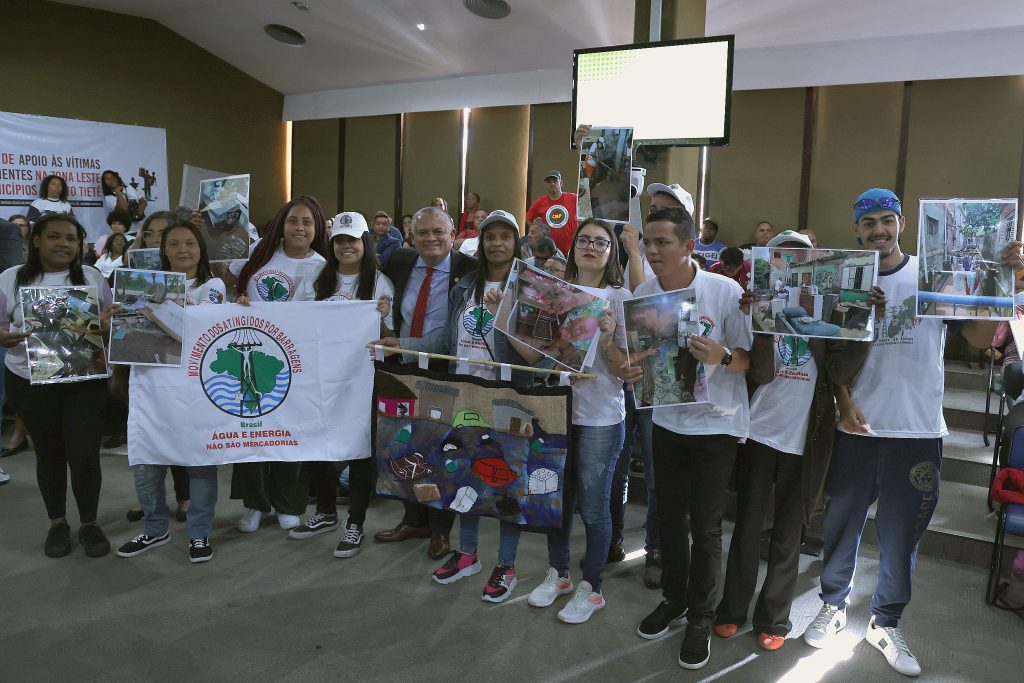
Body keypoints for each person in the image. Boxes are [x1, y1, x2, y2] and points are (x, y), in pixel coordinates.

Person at [802, 188, 1002, 677]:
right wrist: (844, 401)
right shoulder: (849, 276)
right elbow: (834, 353)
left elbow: (979, 337)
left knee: (901, 537)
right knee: (840, 524)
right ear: (856, 229)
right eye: (868, 222)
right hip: (857, 428)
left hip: (917, 429)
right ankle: (832, 605)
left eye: (887, 220)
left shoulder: (930, 274)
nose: (879, 230)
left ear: (902, 224)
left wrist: (999, 279)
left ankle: (885, 622)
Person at [713, 230, 865, 652]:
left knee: (788, 535)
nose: (792, 267)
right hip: (759, 433)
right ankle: (732, 609)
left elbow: (839, 372)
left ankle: (774, 618)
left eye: (801, 259)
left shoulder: (828, 312)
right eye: (782, 259)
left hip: (805, 439)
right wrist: (759, 321)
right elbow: (760, 373)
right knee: (747, 527)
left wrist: (862, 323)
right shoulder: (757, 308)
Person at [378, 210, 533, 602]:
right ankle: (467, 554)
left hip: (508, 396)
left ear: (516, 242)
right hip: (465, 395)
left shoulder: (529, 289)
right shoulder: (465, 285)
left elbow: (536, 353)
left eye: (505, 236)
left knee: (507, 484)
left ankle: (506, 565)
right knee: (465, 476)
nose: (497, 243)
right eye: (490, 237)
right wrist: (403, 345)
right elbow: (445, 339)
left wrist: (505, 314)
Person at [633, 206, 752, 670]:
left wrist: (722, 357)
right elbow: (638, 359)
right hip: (668, 423)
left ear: (688, 246)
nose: (652, 250)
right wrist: (631, 369)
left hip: (715, 426)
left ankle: (701, 617)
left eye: (662, 242)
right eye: (647, 241)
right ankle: (675, 598)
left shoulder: (724, 291)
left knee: (705, 528)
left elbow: (750, 359)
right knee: (669, 519)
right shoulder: (644, 294)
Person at [523, 218, 634, 624]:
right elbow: (534, 354)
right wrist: (511, 310)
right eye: (584, 240)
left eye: (601, 242)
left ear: (612, 252)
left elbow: (626, 372)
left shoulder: (620, 298)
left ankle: (592, 587)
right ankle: (559, 574)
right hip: (558, 410)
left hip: (600, 416)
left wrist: (606, 339)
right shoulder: (557, 292)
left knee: (593, 507)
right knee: (555, 500)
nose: (591, 247)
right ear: (572, 249)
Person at [0, 212, 118, 557]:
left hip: (84, 379)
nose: (64, 244)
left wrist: (107, 326)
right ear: (36, 240)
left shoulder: (92, 277)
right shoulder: (10, 278)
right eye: (54, 237)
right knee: (48, 452)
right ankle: (57, 523)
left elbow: (112, 321)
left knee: (85, 454)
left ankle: (89, 523)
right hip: (29, 380)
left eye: (71, 238)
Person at [115, 219, 226, 563]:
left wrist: (153, 310)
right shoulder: (144, 284)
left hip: (195, 386)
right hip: (150, 384)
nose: (182, 250)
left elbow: (204, 332)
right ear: (163, 249)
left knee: (199, 461)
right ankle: (154, 527)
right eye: (174, 243)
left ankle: (199, 532)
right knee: (146, 460)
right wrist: (117, 319)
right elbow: (131, 335)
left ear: (200, 249)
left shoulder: (212, 285)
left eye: (190, 243)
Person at [291, 212, 394, 558]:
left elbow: (390, 337)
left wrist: (382, 318)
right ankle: (325, 512)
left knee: (358, 449)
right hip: (319, 378)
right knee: (318, 444)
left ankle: (356, 523)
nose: (346, 246)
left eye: (352, 239)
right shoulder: (316, 278)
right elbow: (296, 323)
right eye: (339, 240)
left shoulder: (379, 283)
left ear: (365, 242)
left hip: (360, 380)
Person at [377, 206, 477, 558]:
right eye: (423, 233)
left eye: (438, 232)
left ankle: (440, 529)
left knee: (442, 451)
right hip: (403, 367)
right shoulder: (399, 262)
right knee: (404, 446)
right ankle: (413, 519)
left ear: (453, 236)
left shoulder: (471, 271)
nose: (431, 238)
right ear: (411, 236)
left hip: (445, 369)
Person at [229, 196, 328, 532]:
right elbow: (228, 277)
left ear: (317, 228)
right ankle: (254, 503)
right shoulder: (261, 251)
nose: (300, 228)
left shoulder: (323, 266)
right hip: (252, 353)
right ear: (281, 225)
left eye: (307, 222)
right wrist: (238, 300)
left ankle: (288, 503)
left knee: (291, 432)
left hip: (297, 361)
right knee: (252, 429)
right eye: (293, 221)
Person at [526, 170, 578, 256]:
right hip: (548, 251)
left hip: (571, 250)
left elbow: (586, 214)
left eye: (555, 181)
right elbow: (528, 218)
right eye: (549, 182)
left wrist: (579, 232)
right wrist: (537, 232)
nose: (552, 184)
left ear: (561, 183)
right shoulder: (540, 202)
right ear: (545, 185)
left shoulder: (574, 198)